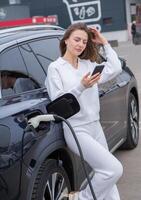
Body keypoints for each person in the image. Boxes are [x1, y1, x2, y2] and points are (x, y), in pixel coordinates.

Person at [45, 22, 123, 200]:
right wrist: (81, 86)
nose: (80, 44)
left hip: (95, 126)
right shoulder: (55, 68)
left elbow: (115, 68)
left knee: (107, 175)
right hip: (76, 129)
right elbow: (58, 101)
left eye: (84, 41)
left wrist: (104, 43)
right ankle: (80, 198)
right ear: (66, 40)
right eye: (76, 39)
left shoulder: (87, 64)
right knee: (113, 169)